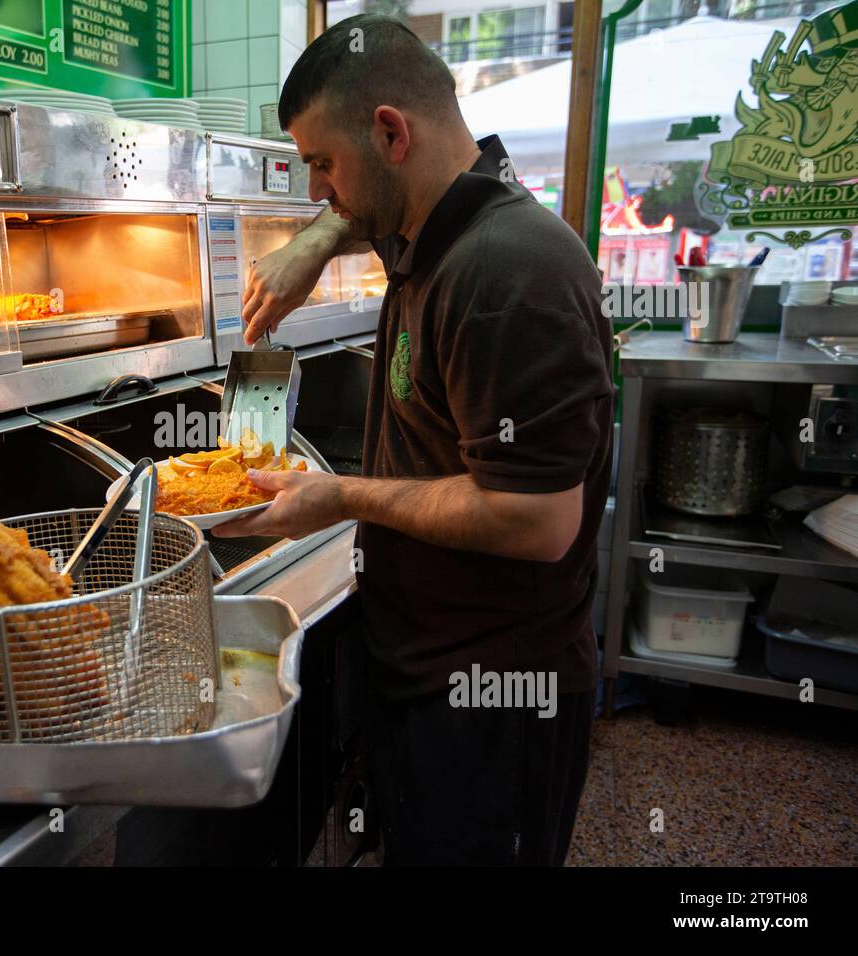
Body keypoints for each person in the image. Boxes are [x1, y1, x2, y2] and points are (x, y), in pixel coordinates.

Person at [214, 14, 614, 865]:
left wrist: (341, 496)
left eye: (322, 164)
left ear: (391, 131)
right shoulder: (437, 228)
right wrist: (317, 241)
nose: (318, 190)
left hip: (495, 693)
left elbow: (536, 520)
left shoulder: (510, 272)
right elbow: (366, 215)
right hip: (428, 665)